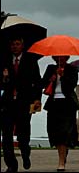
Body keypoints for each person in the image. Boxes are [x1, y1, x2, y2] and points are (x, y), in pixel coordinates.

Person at [0, 38, 42, 172]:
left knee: (23, 134)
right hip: (7, 103)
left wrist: (37, 98)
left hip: (24, 102)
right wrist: (4, 78)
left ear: (23, 45)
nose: (14, 46)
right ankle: (11, 164)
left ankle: (25, 152)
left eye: (17, 44)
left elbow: (37, 82)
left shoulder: (31, 61)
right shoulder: (4, 60)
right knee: (6, 135)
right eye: (12, 44)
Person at [40, 55, 79, 171]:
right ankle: (63, 152)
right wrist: (50, 79)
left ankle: (61, 162)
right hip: (53, 103)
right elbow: (42, 84)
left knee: (64, 132)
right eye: (58, 57)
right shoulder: (50, 68)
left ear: (67, 57)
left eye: (63, 57)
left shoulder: (72, 69)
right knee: (54, 131)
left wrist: (62, 76)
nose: (60, 59)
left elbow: (72, 85)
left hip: (67, 103)